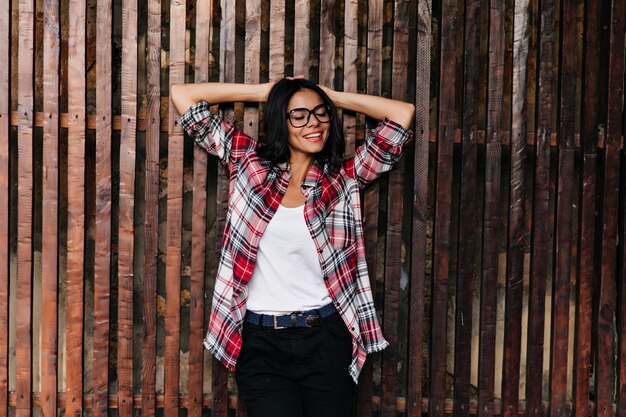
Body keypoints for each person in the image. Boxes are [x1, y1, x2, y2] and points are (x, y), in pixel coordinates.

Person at [170, 77, 414, 417]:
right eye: (298, 115)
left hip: (326, 337)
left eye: (319, 114)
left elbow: (402, 114)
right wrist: (260, 93)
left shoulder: (344, 178)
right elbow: (184, 95)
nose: (312, 123)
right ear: (279, 121)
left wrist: (331, 97)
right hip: (260, 340)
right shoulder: (249, 164)